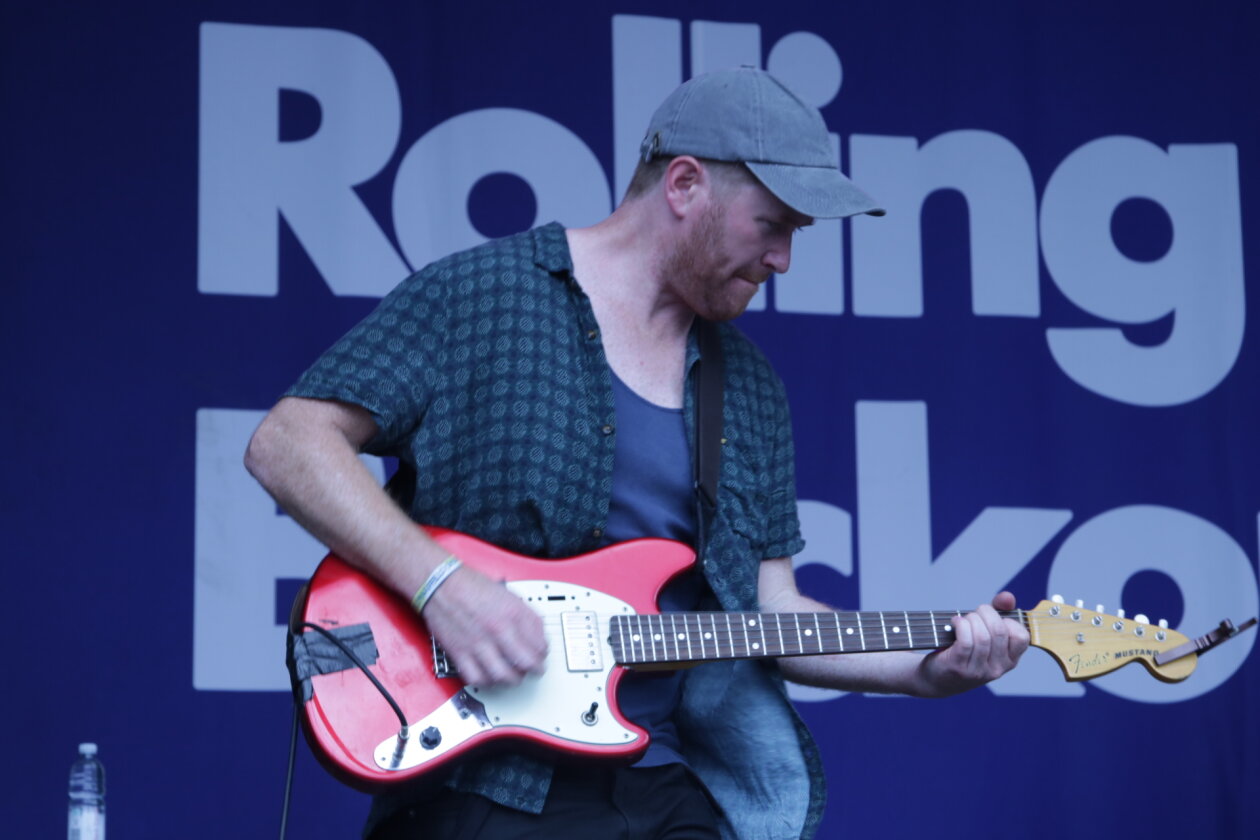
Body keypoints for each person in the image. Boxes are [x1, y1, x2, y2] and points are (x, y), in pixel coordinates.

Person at [245, 66, 1029, 840]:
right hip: (485, 785)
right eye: (774, 224)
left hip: (663, 779)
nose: (784, 259)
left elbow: (772, 613)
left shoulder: (748, 386)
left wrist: (930, 672)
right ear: (684, 185)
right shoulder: (482, 298)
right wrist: (442, 586)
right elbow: (288, 443)